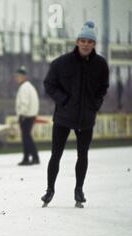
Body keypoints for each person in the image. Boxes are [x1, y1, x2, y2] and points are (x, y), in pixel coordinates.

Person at [41, 21, 109, 208]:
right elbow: (49, 84)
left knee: (83, 154)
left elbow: (103, 87)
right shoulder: (61, 63)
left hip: (86, 119)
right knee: (56, 155)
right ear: (77, 42)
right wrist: (63, 101)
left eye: (90, 41)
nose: (86, 44)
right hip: (63, 117)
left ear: (94, 44)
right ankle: (50, 190)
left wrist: (95, 105)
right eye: (83, 40)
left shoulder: (101, 64)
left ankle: (79, 189)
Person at [14, 66, 40, 166]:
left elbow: (24, 103)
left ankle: (30, 158)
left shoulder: (24, 87)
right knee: (27, 137)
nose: (16, 78)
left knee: (26, 137)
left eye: (18, 76)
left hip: (26, 115)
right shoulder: (28, 86)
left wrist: (22, 115)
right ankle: (31, 157)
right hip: (30, 115)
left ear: (23, 77)